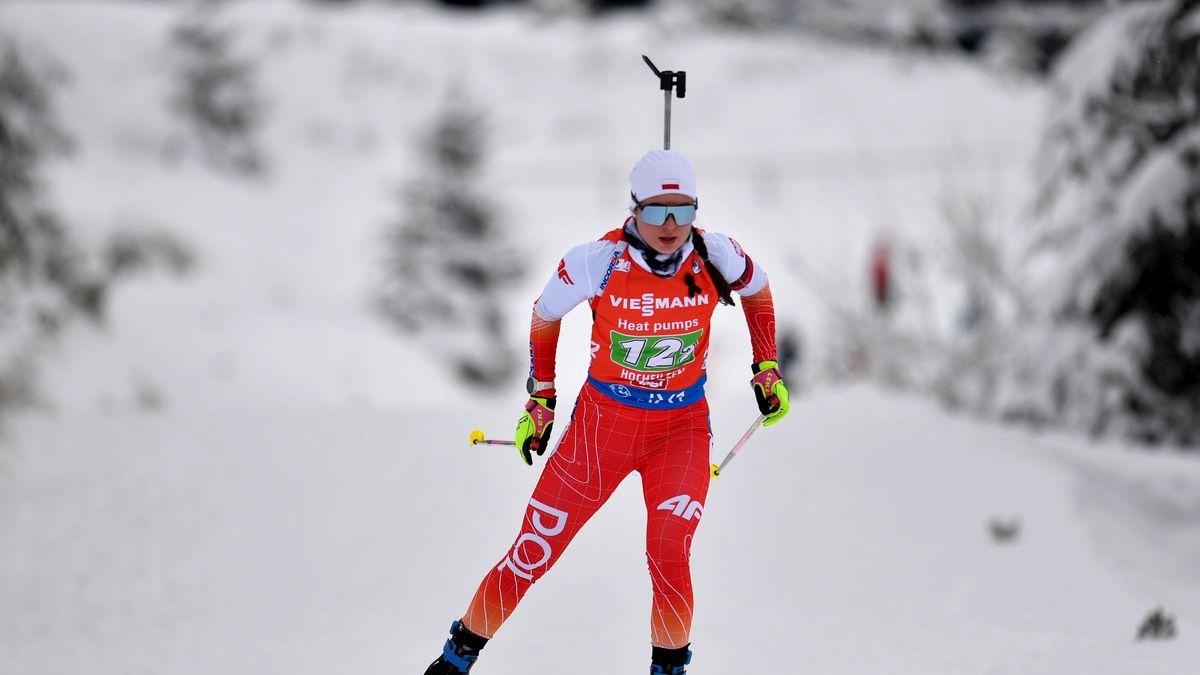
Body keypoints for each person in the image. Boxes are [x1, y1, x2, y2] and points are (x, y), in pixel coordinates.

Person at [423, 149, 790, 675]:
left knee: (668, 552)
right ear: (634, 207)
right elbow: (544, 316)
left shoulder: (717, 254)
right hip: (602, 430)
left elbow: (758, 292)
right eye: (657, 211)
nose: (670, 226)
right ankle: (454, 661)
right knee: (533, 552)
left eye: (683, 211)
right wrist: (542, 400)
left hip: (681, 430)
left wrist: (767, 365)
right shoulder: (596, 261)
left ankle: (670, 670)